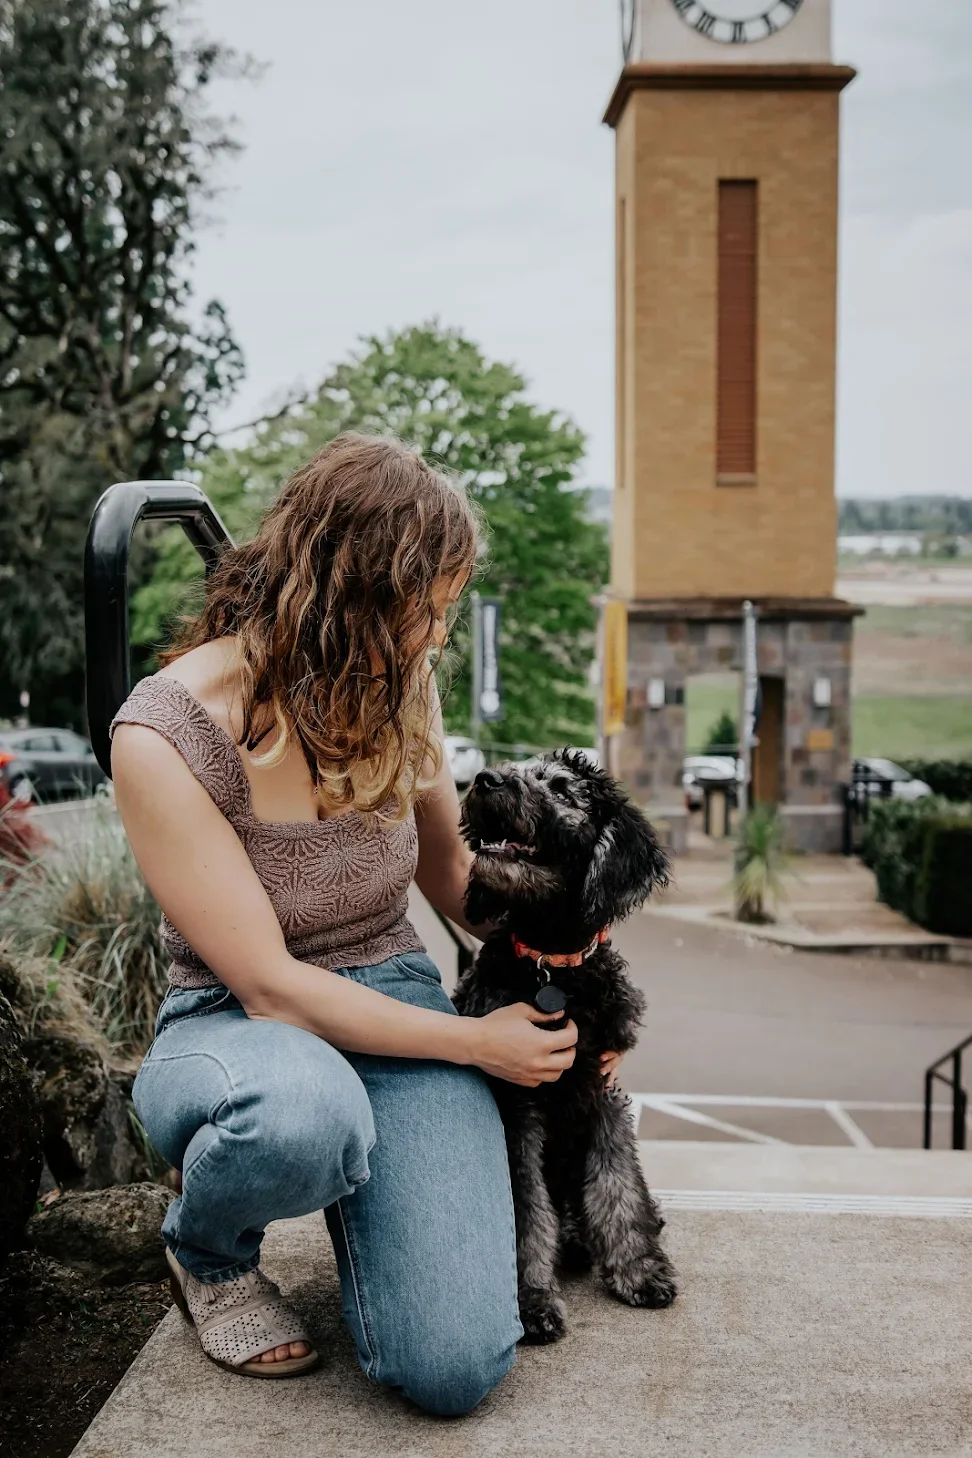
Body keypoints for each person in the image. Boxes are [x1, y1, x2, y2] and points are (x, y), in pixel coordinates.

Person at [110, 433, 589, 1416]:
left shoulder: (398, 685)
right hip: (238, 1030)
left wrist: (570, 940)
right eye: (431, 612)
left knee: (455, 1370)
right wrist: (476, 1045)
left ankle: (375, 1189)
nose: (438, 641)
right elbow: (272, 988)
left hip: (394, 999)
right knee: (308, 1119)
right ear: (353, 598)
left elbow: (454, 880)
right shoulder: (165, 734)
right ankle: (206, 1251)